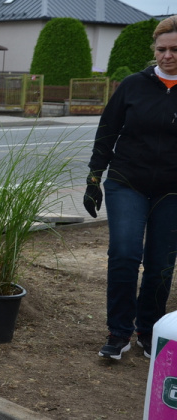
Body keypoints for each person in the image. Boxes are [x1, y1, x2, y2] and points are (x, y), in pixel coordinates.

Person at [85, 15, 177, 360]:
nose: (167, 55)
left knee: (161, 263)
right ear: (154, 50)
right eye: (161, 49)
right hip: (127, 182)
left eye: (174, 49)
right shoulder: (133, 85)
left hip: (172, 190)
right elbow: (107, 131)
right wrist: (95, 178)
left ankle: (148, 330)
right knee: (124, 254)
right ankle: (118, 331)